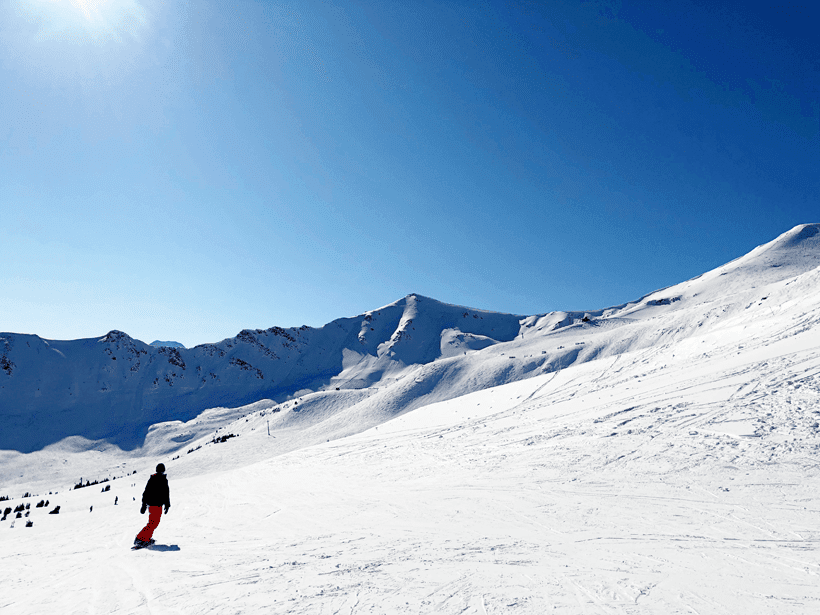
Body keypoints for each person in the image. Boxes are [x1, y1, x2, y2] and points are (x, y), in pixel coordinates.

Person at [134, 463, 171, 547]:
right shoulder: (153, 479)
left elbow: (166, 493)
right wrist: (143, 505)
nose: (160, 472)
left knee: (154, 523)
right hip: (153, 505)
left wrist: (167, 504)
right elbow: (146, 493)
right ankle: (140, 538)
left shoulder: (164, 479)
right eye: (160, 470)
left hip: (158, 505)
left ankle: (146, 538)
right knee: (152, 523)